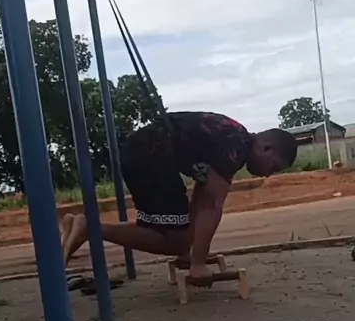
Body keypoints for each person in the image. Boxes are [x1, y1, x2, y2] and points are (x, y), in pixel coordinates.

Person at [61, 111, 297, 279]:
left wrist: (191, 250)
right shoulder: (234, 147)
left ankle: (83, 226)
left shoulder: (234, 138)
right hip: (150, 156)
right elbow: (212, 206)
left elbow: (201, 196)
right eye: (274, 166)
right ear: (266, 147)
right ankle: (90, 229)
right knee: (173, 240)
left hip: (143, 152)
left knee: (177, 236)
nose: (269, 174)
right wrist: (198, 264)